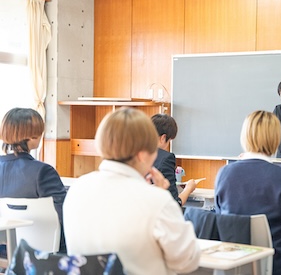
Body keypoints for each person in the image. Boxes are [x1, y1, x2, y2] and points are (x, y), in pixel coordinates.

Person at [63, 108, 200, 275]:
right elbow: (187, 261)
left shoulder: (77, 189)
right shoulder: (156, 201)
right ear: (143, 154)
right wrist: (163, 199)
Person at [214, 110, 281, 275]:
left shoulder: (224, 174)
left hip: (234, 264)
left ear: (244, 136)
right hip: (273, 265)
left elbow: (222, 219)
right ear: (276, 138)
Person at [0, 107, 67, 252]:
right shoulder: (43, 172)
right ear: (32, 136)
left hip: (6, 248)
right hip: (44, 250)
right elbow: (66, 213)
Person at [151, 114, 196, 207]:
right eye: (169, 141)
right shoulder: (166, 158)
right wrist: (188, 189)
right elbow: (174, 205)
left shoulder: (134, 154)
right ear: (163, 138)